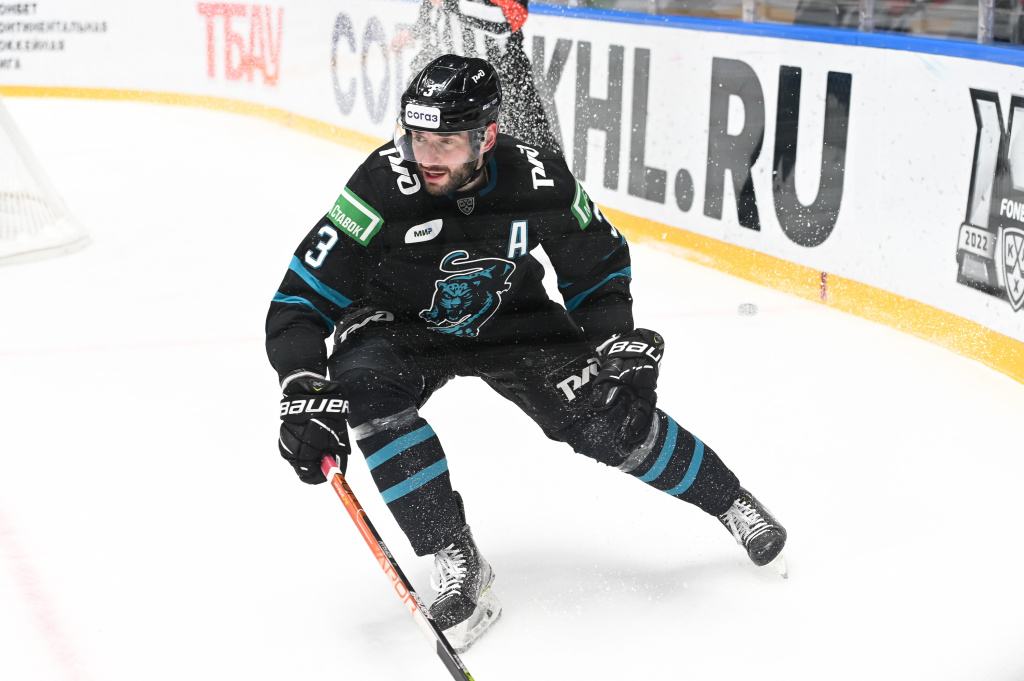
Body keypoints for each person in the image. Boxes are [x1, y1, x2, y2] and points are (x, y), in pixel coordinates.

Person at [267, 54, 787, 652]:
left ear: (486, 137)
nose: (425, 156)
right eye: (416, 138)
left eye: (444, 142)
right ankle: (455, 554)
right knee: (362, 387)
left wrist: (613, 341)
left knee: (609, 415)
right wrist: (301, 382)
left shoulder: (539, 178)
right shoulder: (381, 185)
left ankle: (731, 502)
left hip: (512, 319)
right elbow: (299, 298)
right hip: (400, 323)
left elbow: (597, 265)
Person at [391, 0, 563, 155]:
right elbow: (433, 14)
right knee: (422, 140)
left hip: (498, 79)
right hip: (448, 81)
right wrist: (413, 33)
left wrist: (450, 3)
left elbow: (508, 19)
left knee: (533, 147)